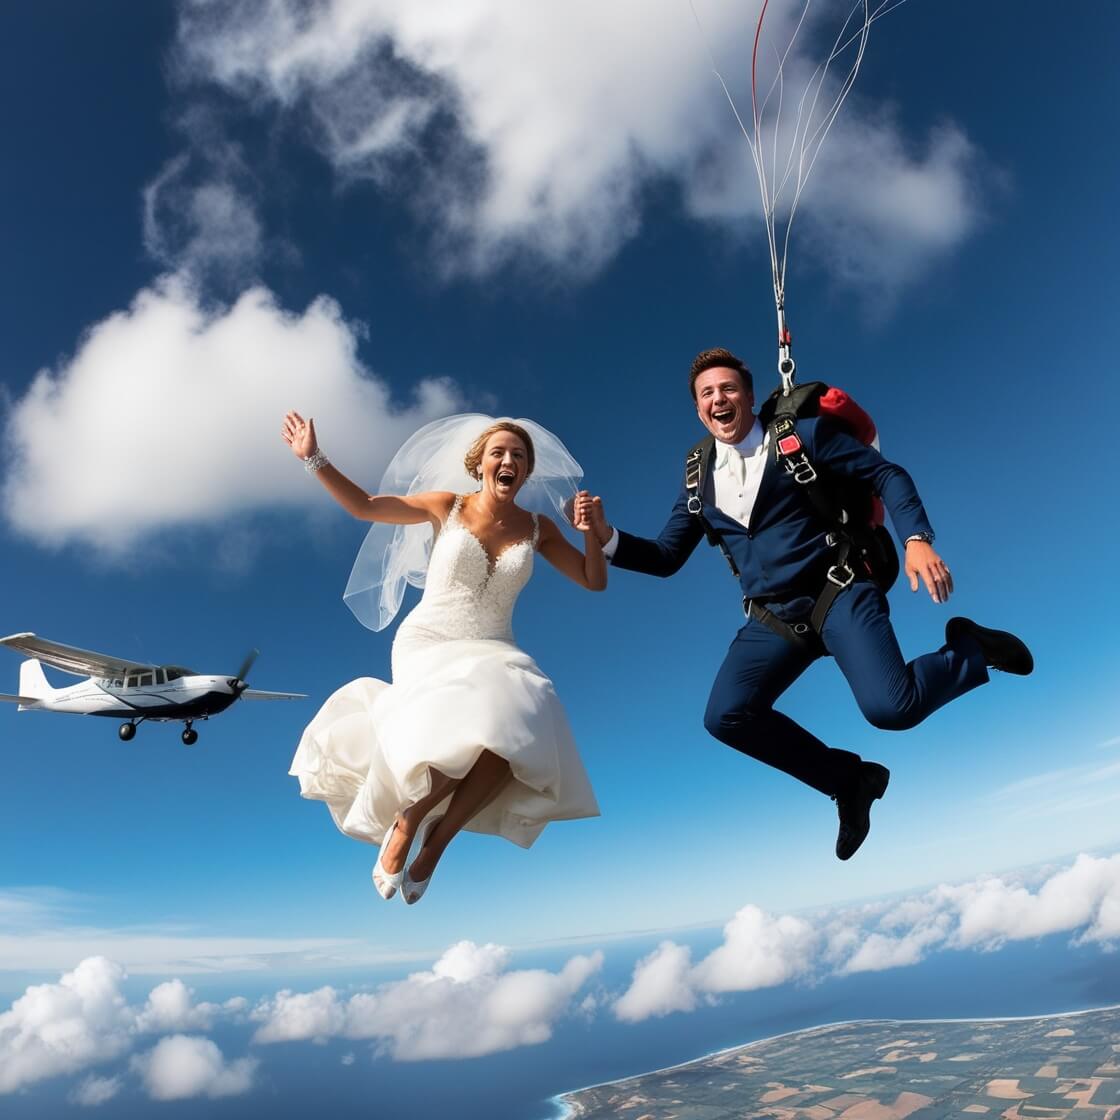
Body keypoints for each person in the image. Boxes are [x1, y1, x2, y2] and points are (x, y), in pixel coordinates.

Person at [588, 347, 1032, 861]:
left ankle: (971, 650)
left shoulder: (800, 439)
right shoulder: (698, 479)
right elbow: (666, 557)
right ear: (698, 410)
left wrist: (916, 539)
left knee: (894, 708)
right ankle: (850, 781)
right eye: (707, 394)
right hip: (775, 618)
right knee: (725, 716)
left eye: (728, 388)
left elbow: (887, 475)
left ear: (751, 397)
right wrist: (606, 537)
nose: (718, 399)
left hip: (838, 587)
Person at [281, 411, 604, 903]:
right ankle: (408, 821)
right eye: (499, 451)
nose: (508, 460)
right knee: (474, 724)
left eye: (518, 455)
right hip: (430, 640)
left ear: (526, 470)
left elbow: (592, 579)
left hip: (496, 646)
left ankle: (437, 840)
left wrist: (591, 533)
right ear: (480, 463)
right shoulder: (446, 505)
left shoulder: (539, 528)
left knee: (517, 727)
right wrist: (313, 459)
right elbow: (366, 506)